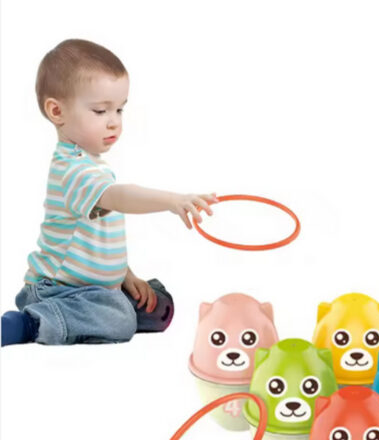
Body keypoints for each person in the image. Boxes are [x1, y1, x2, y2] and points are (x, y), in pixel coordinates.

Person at [1, 39, 217, 346]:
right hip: (56, 289)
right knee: (121, 321)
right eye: (101, 111)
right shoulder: (72, 170)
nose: (114, 122)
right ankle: (29, 323)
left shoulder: (91, 164)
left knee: (158, 307)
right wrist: (172, 201)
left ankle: (105, 308)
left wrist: (127, 277)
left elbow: (96, 243)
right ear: (57, 111)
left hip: (94, 287)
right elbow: (120, 196)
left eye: (119, 109)